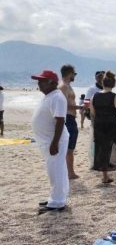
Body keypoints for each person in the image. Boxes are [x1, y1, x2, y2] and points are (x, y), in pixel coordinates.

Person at [31, 70, 69, 212]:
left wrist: (54, 143)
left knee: (55, 171)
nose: (39, 84)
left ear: (52, 83)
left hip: (54, 141)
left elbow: (60, 121)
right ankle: (57, 197)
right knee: (57, 170)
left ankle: (57, 202)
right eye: (39, 81)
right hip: (48, 141)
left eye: (42, 81)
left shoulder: (57, 97)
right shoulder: (50, 96)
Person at [90, 71, 116, 184]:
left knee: (103, 149)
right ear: (114, 84)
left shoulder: (94, 96)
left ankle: (105, 177)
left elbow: (93, 113)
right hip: (113, 125)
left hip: (99, 125)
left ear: (102, 83)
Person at [59, 64, 81, 179]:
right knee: (69, 147)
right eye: (74, 74)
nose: (75, 76)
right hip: (68, 118)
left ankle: (69, 172)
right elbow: (63, 105)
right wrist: (79, 107)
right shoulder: (64, 87)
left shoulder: (67, 86)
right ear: (69, 73)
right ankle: (70, 173)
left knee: (70, 147)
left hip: (70, 117)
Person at [84, 71, 104, 169]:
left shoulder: (107, 89)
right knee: (95, 139)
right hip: (95, 117)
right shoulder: (92, 89)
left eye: (102, 77)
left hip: (106, 118)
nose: (100, 79)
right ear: (96, 78)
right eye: (99, 77)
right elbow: (86, 103)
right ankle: (95, 162)